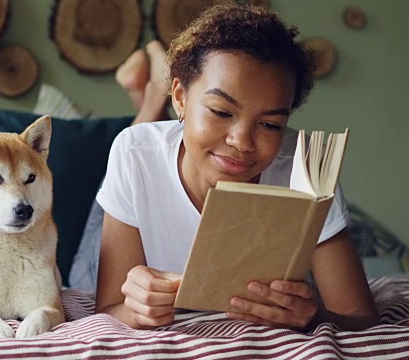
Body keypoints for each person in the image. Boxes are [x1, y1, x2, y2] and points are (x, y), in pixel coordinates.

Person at [89, 5, 380, 332]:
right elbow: (109, 309)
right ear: (181, 97)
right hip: (127, 195)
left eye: (270, 124)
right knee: (82, 265)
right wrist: (135, 310)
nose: (242, 141)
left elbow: (361, 318)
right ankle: (149, 101)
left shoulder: (307, 169)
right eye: (221, 112)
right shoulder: (135, 152)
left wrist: (313, 317)